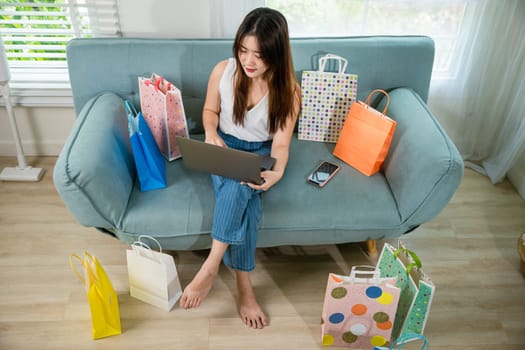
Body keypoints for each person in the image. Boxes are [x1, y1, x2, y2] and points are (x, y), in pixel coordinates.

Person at [179, 7, 301, 329]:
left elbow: (281, 145)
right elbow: (209, 110)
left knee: (241, 187)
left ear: (276, 54)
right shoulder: (223, 71)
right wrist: (209, 133)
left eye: (259, 55)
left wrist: (278, 171)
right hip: (224, 146)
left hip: (260, 152)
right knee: (243, 194)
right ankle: (244, 288)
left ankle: (210, 266)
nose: (248, 61)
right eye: (243, 50)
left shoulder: (288, 90)